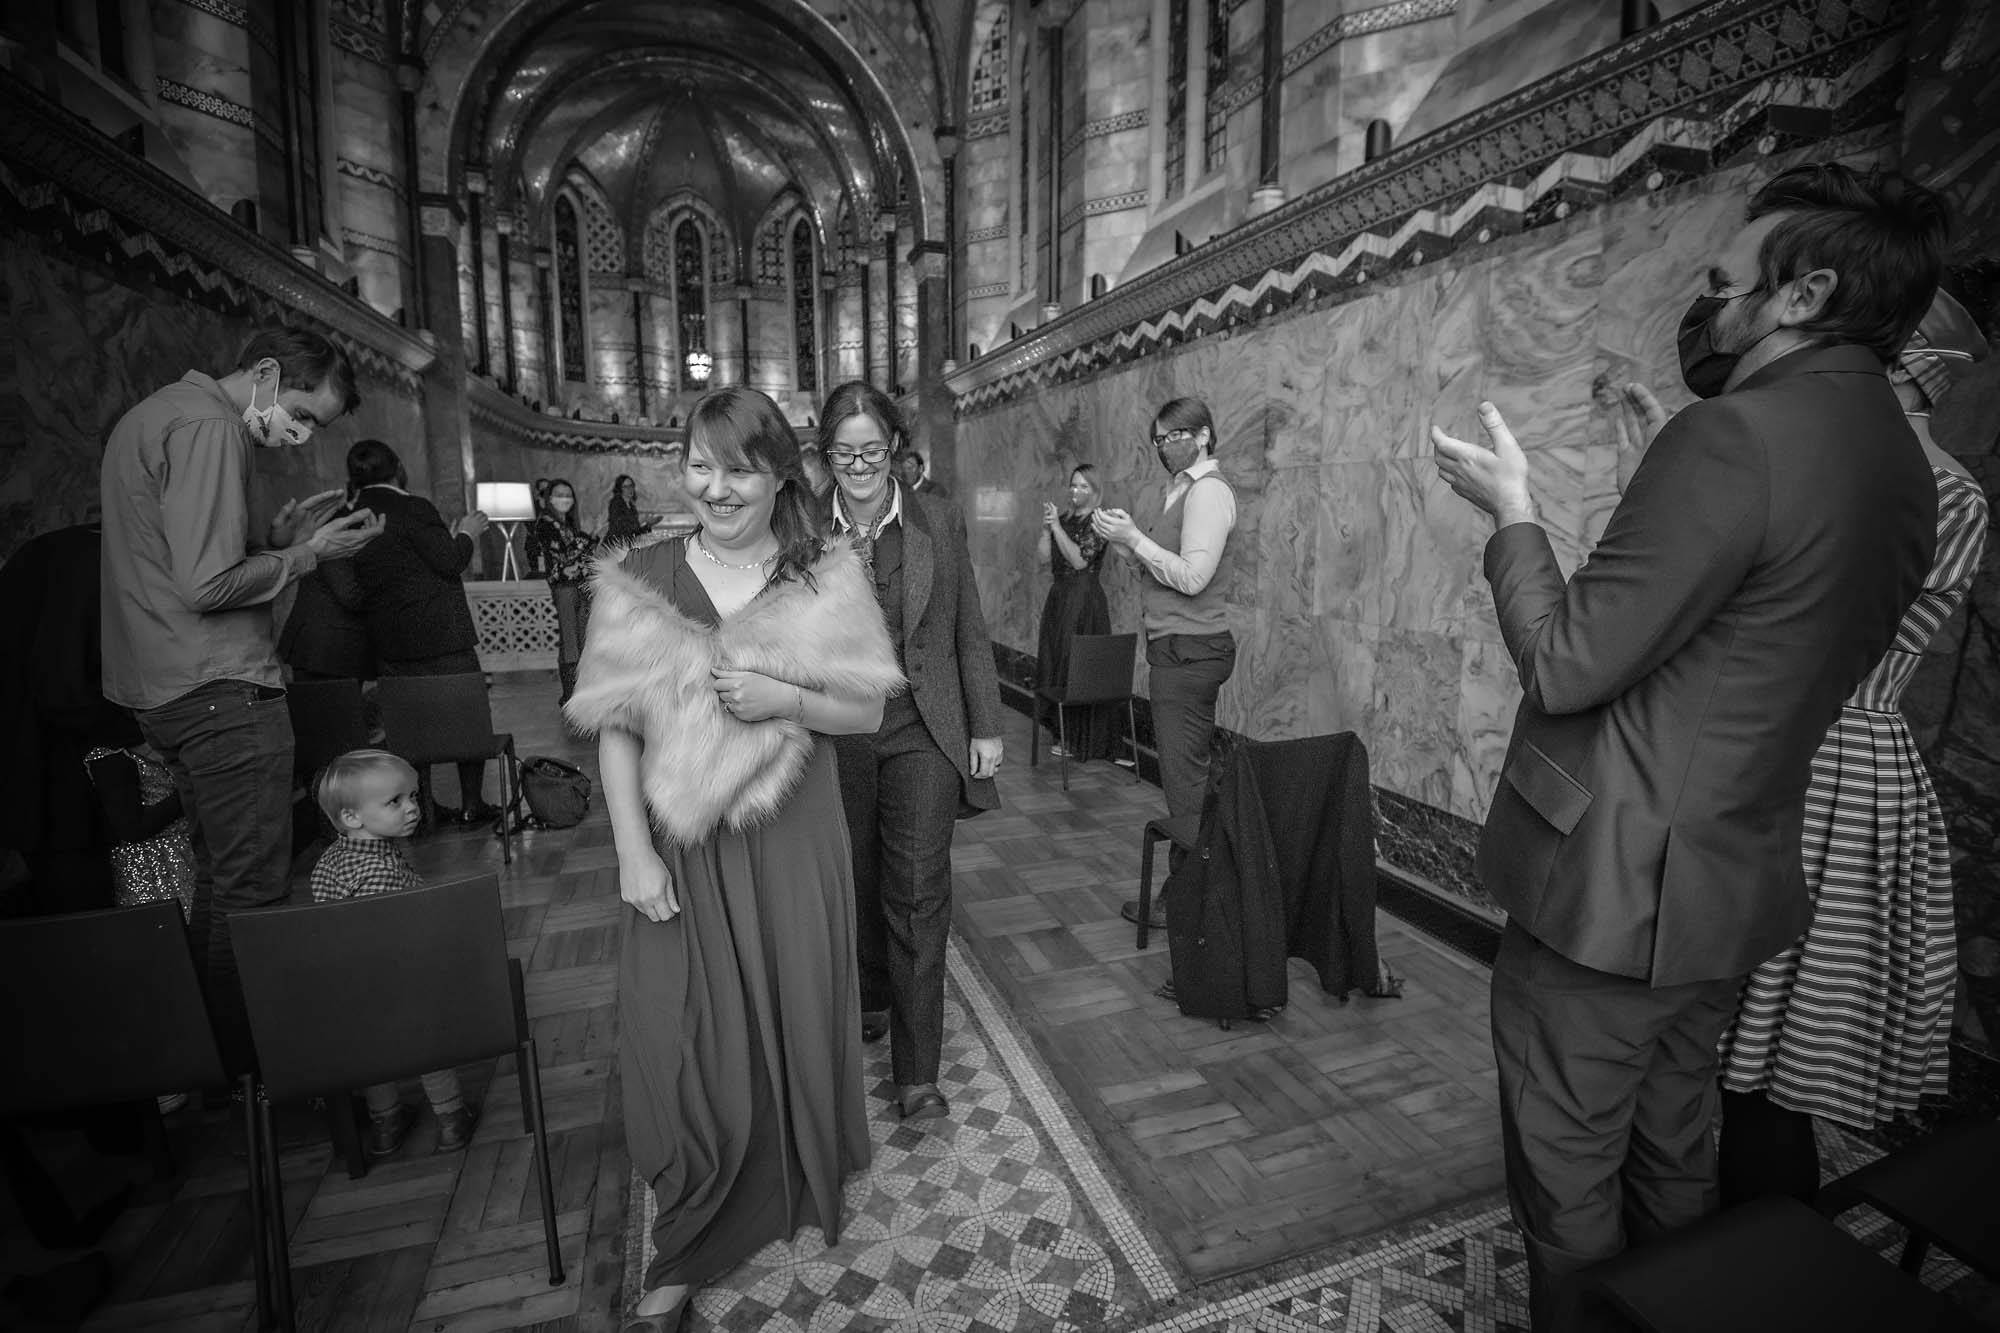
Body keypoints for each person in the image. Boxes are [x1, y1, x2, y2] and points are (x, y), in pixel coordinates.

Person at [1429, 162, 1948, 1331]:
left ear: (1802, 294)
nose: (1704, 305)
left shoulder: (1730, 437)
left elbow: (1566, 661)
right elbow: (1747, 649)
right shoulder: (1904, 471)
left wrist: (1512, 513)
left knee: (1567, 1178)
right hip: (1728, 883)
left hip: (1607, 896)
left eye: (1723, 284)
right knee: (1673, 1151)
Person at [565, 385, 900, 1331]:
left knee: (793, 993)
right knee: (686, 1021)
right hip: (683, 836)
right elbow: (615, 727)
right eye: (699, 465)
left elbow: (867, 711)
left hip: (795, 834)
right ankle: (699, 1204)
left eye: (738, 469)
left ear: (780, 473)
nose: (714, 487)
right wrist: (634, 852)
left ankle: (793, 1152)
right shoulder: (641, 573)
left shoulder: (824, 574)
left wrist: (781, 697)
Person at [1716, 289, 1991, 1205]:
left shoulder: (1931, 485)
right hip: (1829, 761)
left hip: (1822, 767)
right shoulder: (1895, 472)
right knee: (1739, 1058)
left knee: (1765, 1068)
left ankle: (1748, 1263)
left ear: (1905, 361)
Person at [100, 327, 383, 1072]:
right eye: (302, 412)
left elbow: (176, 561)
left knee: (219, 885)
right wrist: (306, 556)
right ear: (263, 371)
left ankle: (212, 1063)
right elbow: (206, 587)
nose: (297, 435)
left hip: (165, 687)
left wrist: (273, 539)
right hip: (219, 688)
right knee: (253, 896)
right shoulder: (211, 428)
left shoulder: (155, 413)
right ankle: (252, 1077)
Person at [822, 381, 1006, 1121]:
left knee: (918, 888)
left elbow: (968, 626)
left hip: (924, 727)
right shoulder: (803, 523)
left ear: (894, 447)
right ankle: (870, 992)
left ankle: (917, 1072)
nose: (859, 464)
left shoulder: (935, 516)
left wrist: (986, 725)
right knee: (856, 875)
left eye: (872, 449)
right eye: (844, 451)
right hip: (832, 729)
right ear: (826, 452)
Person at [1094, 398, 1240, 932]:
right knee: (1186, 782)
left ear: (1203, 435)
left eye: (1173, 436)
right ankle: (1192, 893)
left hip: (1190, 653)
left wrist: (1135, 539)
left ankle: (1195, 899)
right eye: (1157, 440)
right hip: (1178, 649)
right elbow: (1166, 571)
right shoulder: (1180, 491)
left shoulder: (1208, 492)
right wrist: (1129, 545)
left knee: (1185, 787)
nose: (1163, 447)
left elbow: (1194, 578)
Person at [309, 749, 479, 1156]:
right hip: (400, 985)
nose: (412, 809)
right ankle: (451, 1118)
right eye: (395, 802)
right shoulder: (380, 875)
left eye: (414, 797)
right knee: (426, 1046)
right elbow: (398, 939)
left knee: (375, 1054)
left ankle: (386, 1123)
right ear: (352, 817)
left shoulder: (331, 860)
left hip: (351, 992)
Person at [346, 440, 497, 825]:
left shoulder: (348, 514)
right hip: (442, 636)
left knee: (409, 728)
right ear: (398, 468)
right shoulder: (412, 508)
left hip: (390, 641)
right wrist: (465, 533)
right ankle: (470, 804)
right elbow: (449, 561)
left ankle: (424, 810)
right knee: (467, 719)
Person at [1035, 464, 1114, 761]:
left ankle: (1082, 738)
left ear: (1095, 491)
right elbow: (1045, 559)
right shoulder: (1065, 519)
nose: (1076, 491)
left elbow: (1081, 562)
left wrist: (1056, 528)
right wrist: (1047, 530)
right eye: (1073, 485)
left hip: (1084, 599)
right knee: (1055, 659)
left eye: (1083, 486)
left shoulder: (1099, 522)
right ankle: (1061, 731)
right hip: (1060, 596)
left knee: (1076, 663)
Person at [83, 744, 195, 913]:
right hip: (151, 868)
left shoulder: (159, 748)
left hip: (184, 857)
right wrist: (189, 790)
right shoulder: (110, 759)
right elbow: (132, 829)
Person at [534, 478, 598, 704]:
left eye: (568, 495)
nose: (565, 499)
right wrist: (588, 538)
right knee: (570, 640)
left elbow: (582, 554)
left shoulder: (568, 524)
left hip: (579, 586)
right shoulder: (545, 524)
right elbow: (564, 556)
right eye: (559, 494)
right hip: (563, 587)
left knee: (582, 639)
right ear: (549, 498)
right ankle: (569, 695)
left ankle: (581, 692)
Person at [605, 474, 657, 546]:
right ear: (620, 489)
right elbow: (622, 529)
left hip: (626, 545)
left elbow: (635, 532)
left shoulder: (632, 507)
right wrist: (643, 520)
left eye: (631, 485)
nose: (630, 489)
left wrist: (648, 525)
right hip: (615, 547)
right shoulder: (615, 504)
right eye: (626, 487)